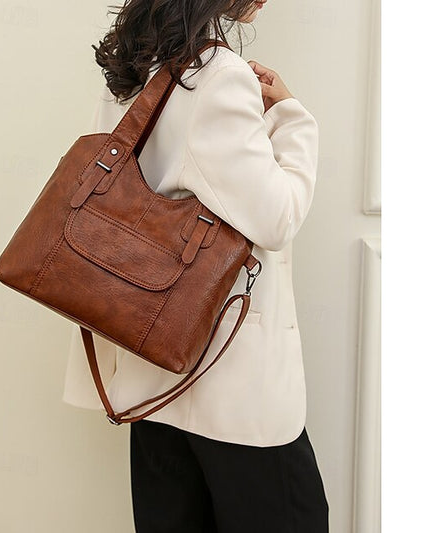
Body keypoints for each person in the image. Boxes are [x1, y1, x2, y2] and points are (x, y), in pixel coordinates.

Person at [62, 0, 329, 531]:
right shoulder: (218, 76)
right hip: (231, 387)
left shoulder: (131, 68)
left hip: (151, 375)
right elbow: (277, 218)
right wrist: (290, 116)